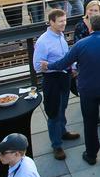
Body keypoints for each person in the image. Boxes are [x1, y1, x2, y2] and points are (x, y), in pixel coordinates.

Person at [45, 14, 100, 166]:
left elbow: (64, 63)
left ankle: (91, 154)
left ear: (90, 27)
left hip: (87, 91)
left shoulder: (81, 44)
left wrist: (48, 66)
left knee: (89, 123)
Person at [33, 9, 80, 160]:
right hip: (52, 80)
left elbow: (65, 57)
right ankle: (56, 145)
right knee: (53, 112)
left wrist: (71, 68)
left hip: (64, 77)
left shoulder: (60, 36)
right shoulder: (43, 41)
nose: (64, 24)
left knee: (63, 107)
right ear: (51, 22)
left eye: (65, 20)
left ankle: (63, 132)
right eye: (60, 21)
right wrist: (57, 65)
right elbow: (37, 66)